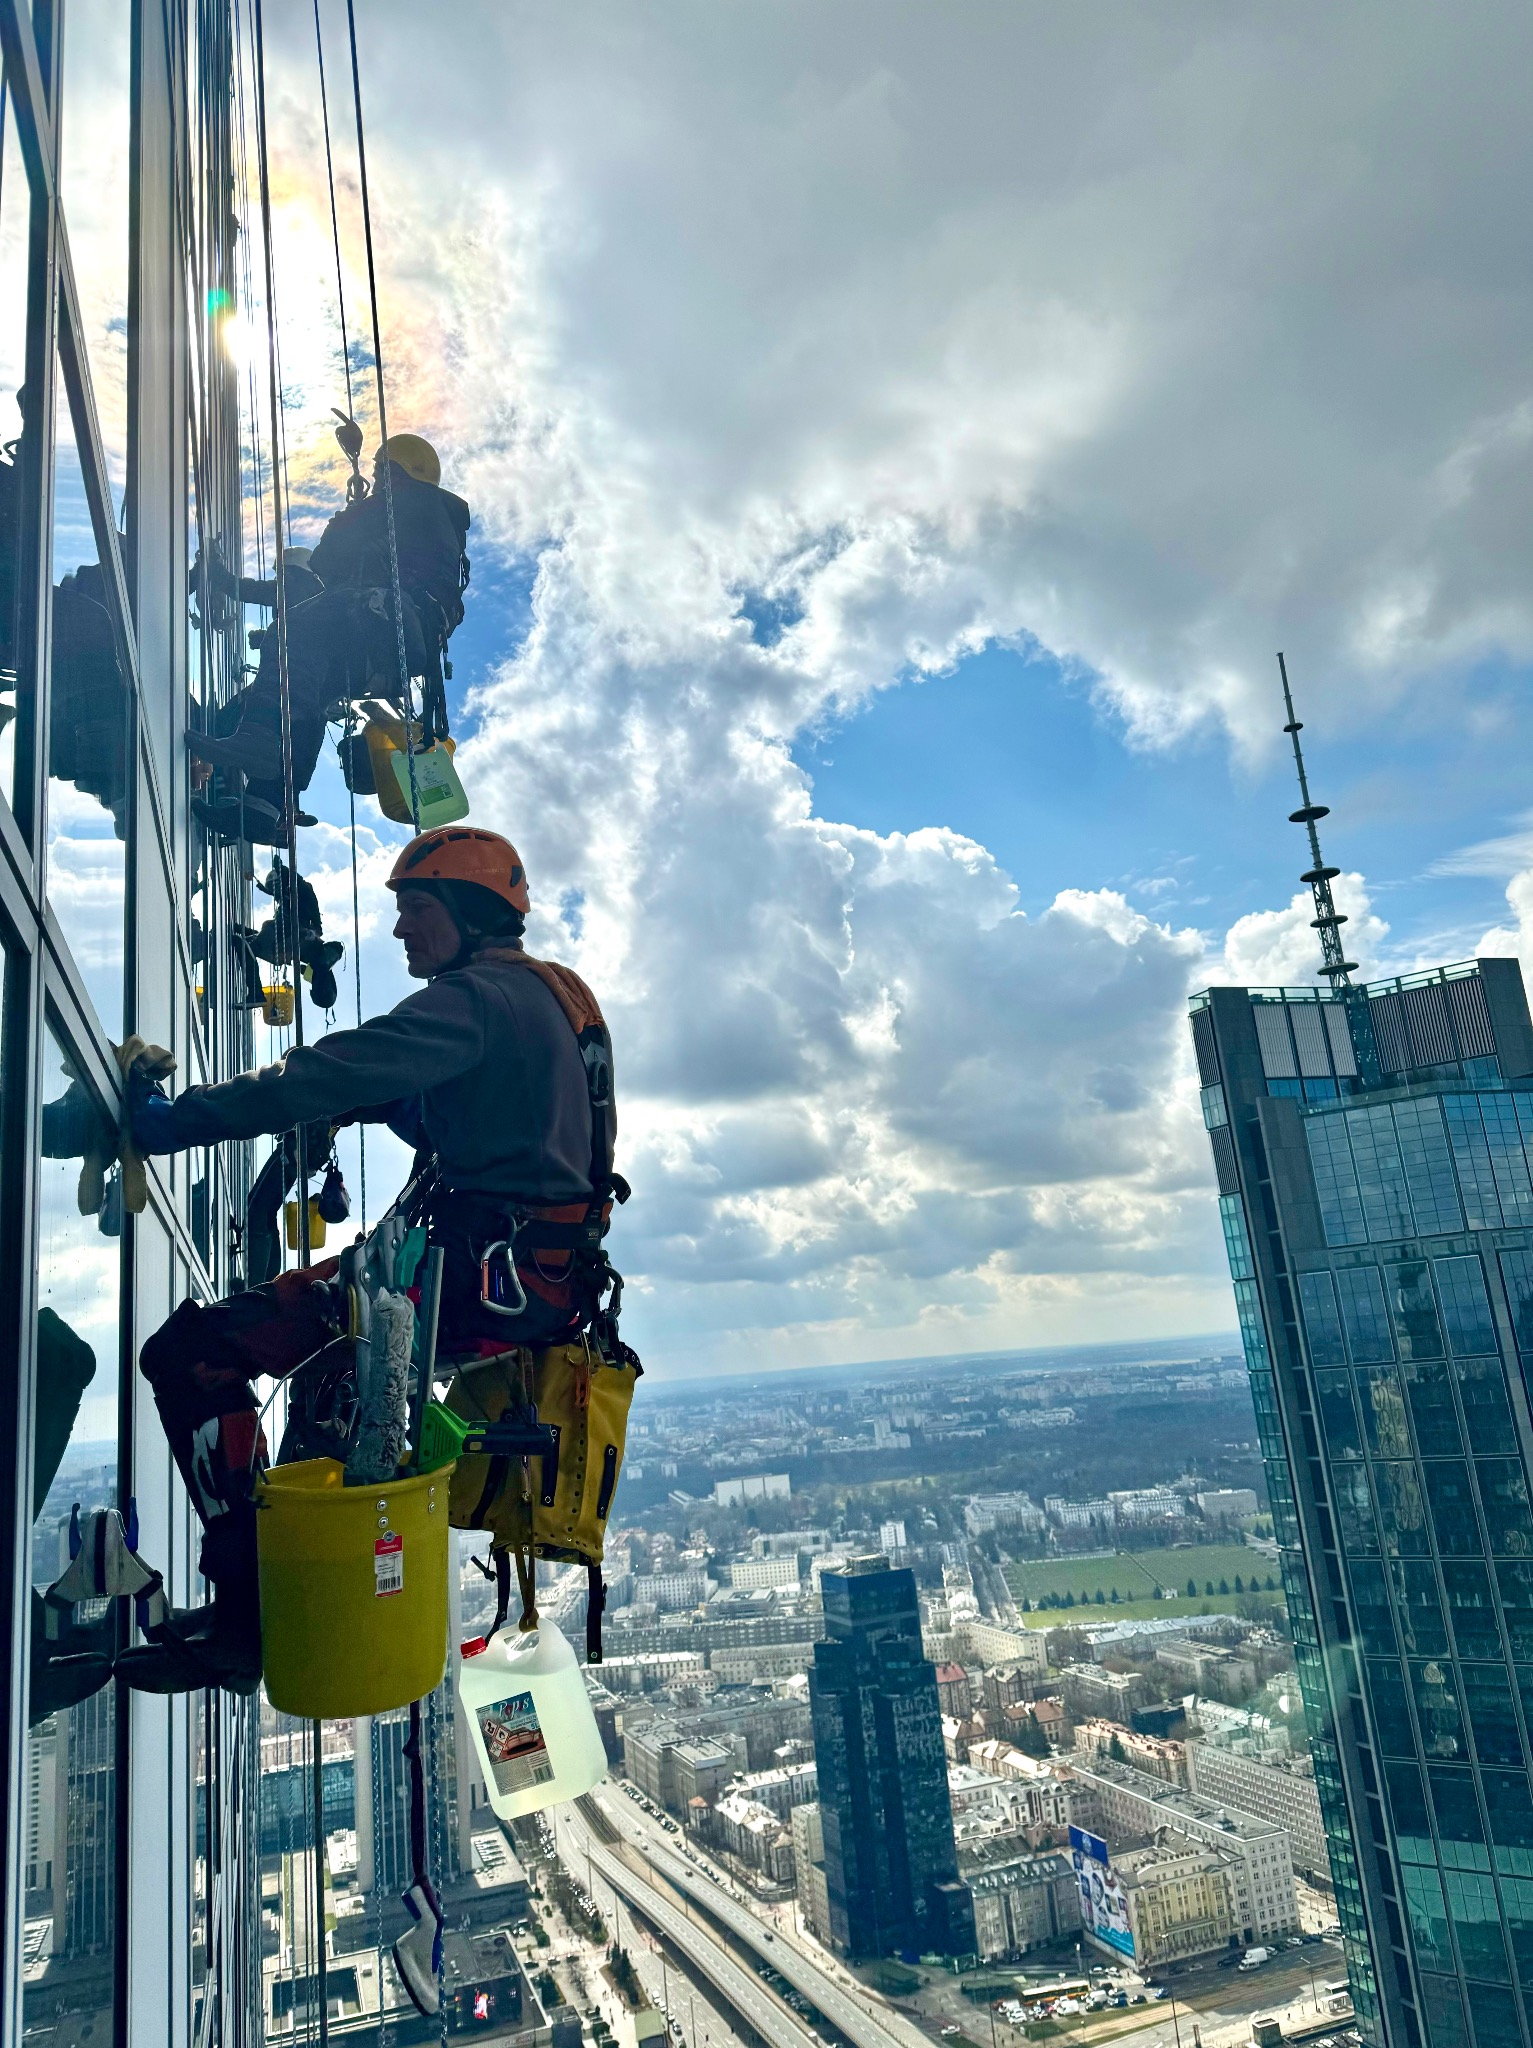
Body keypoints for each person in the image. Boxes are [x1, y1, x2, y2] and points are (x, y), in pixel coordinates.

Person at [113, 825, 621, 1695]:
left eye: (415, 910)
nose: (399, 933)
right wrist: (408, 1110)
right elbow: (521, 1125)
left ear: (465, 911)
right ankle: (296, 1588)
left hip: (467, 1276)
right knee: (321, 1394)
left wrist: (172, 1122)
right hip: (522, 1283)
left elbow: (315, 1074)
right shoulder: (553, 994)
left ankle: (245, 1611)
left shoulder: (473, 1000)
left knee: (191, 1354)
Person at [190, 433, 470, 843]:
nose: (376, 479)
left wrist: (352, 514)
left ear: (395, 471)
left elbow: (327, 559)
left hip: (386, 622)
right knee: (310, 696)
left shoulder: (403, 501)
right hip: (395, 649)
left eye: (380, 471)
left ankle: (262, 740)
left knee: (289, 636)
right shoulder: (436, 526)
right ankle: (266, 807)